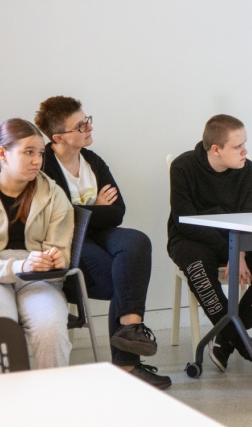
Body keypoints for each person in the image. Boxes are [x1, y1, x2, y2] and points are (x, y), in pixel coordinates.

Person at [34, 96, 171, 389]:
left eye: (87, 120)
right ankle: (126, 365)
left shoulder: (92, 161)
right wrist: (96, 207)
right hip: (66, 242)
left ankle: (130, 328)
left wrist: (81, 211)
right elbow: (57, 220)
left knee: (136, 241)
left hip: (99, 234)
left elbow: (118, 212)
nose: (89, 128)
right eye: (80, 126)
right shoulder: (44, 166)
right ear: (58, 138)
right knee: (121, 278)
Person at [167, 114, 252, 372]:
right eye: (238, 146)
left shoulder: (249, 170)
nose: (245, 151)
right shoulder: (183, 167)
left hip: (238, 239)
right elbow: (185, 222)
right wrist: (232, 251)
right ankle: (244, 344)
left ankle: (225, 338)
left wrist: (239, 250)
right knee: (199, 267)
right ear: (216, 149)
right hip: (191, 238)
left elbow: (250, 217)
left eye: (245, 144)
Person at [0, 118, 74, 369]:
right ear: (3, 154)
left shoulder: (54, 194)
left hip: (37, 279)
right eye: (28, 152)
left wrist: (57, 259)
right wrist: (20, 266)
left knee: (51, 329)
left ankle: (53, 392)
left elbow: (60, 251)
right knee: (0, 329)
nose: (37, 161)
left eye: (40, 153)